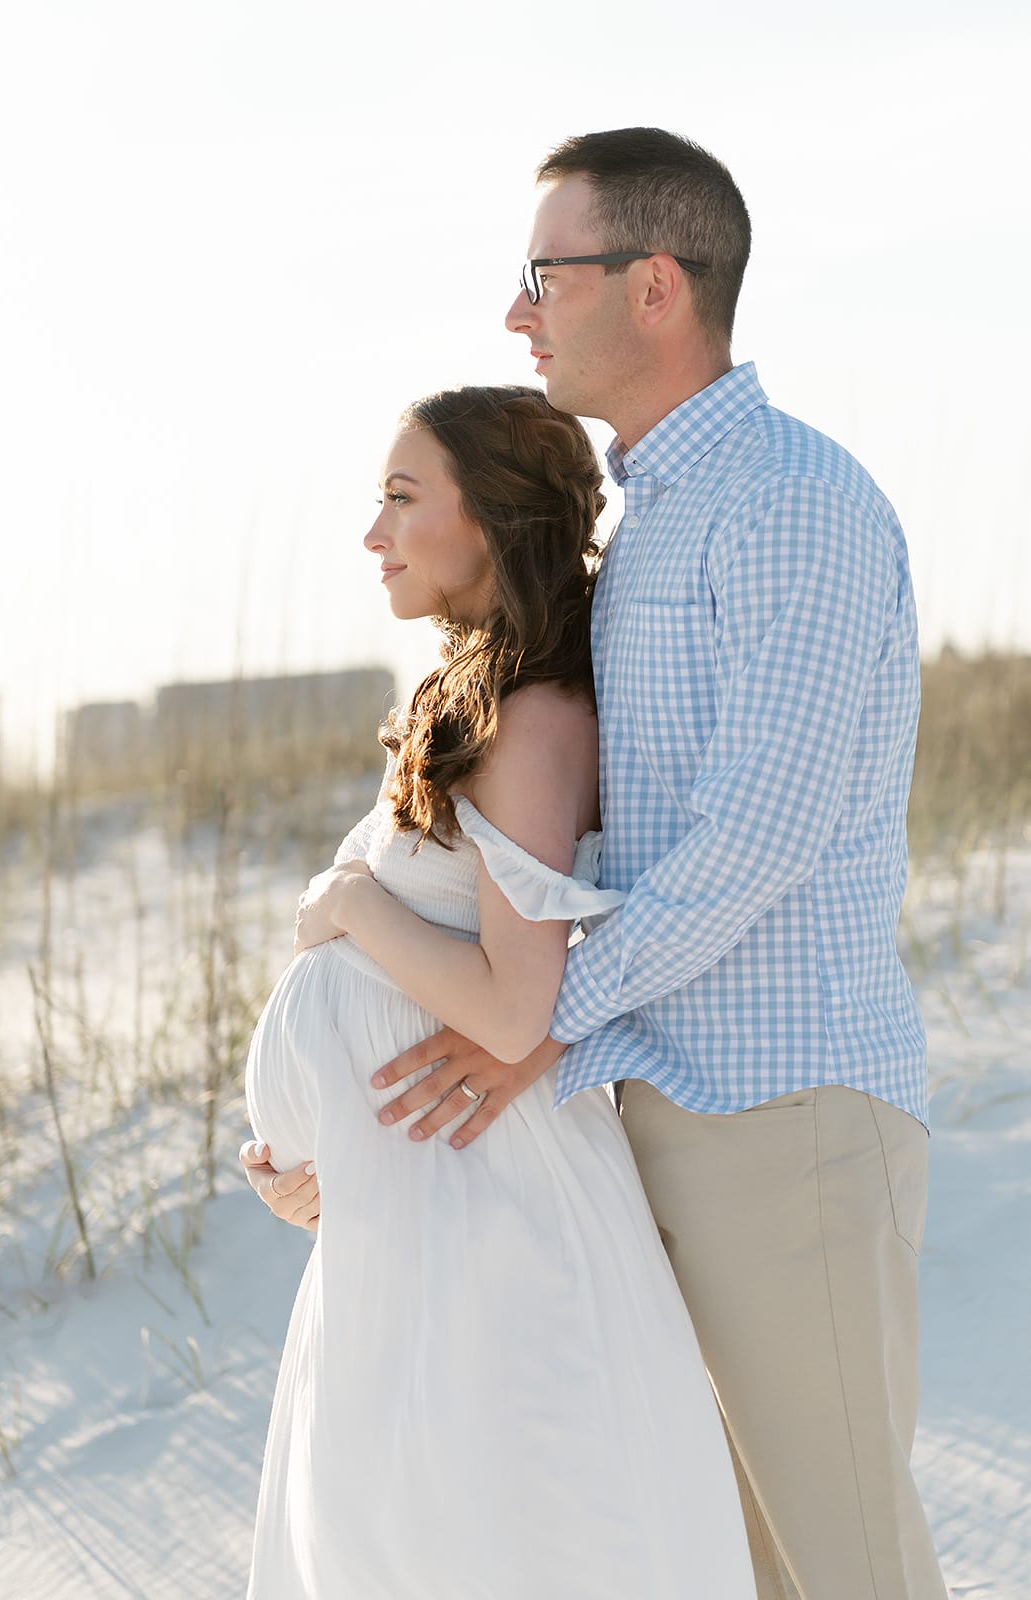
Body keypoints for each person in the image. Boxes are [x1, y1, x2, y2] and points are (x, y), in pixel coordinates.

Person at [244, 130, 950, 1600]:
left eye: (540, 277)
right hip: (645, 1115)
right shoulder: (644, 533)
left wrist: (539, 1018)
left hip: (783, 1112)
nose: (517, 314)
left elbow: (757, 835)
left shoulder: (786, 503)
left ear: (651, 286)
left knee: (842, 1569)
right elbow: (594, 864)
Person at [242, 382, 755, 1599]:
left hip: (491, 1218)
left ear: (490, 520)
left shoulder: (533, 716)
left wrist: (350, 909)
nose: (373, 533)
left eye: (401, 499)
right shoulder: (486, 690)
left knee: (481, 1541)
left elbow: (514, 1003)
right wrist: (312, 1151)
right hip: (417, 1201)